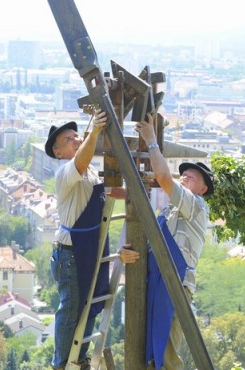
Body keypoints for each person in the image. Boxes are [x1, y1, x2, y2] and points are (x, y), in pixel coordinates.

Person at [46, 110, 138, 370]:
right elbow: (80, 163)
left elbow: (111, 191)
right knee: (72, 308)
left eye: (77, 136)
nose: (76, 140)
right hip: (71, 252)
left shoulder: (90, 173)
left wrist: (139, 193)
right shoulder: (65, 172)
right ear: (58, 151)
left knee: (89, 303)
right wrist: (95, 131)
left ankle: (80, 355)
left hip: (89, 249)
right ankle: (62, 363)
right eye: (69, 139)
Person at [135, 114, 214, 370]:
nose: (184, 179)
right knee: (149, 350)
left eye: (191, 178)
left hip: (175, 283)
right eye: (184, 176)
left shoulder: (197, 205)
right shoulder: (169, 211)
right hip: (157, 282)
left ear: (203, 189)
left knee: (168, 355)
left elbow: (163, 178)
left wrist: (151, 141)